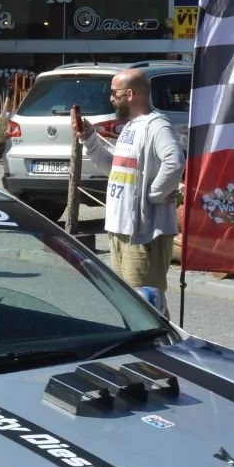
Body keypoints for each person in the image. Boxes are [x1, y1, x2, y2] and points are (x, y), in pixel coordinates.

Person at [71, 68, 184, 302]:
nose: (111, 98)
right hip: (120, 230)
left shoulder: (156, 125)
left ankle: (160, 341)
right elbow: (115, 168)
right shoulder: (132, 126)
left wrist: (153, 195)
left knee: (146, 305)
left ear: (130, 94)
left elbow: (174, 162)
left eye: (114, 93)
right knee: (129, 305)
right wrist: (89, 138)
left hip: (143, 234)